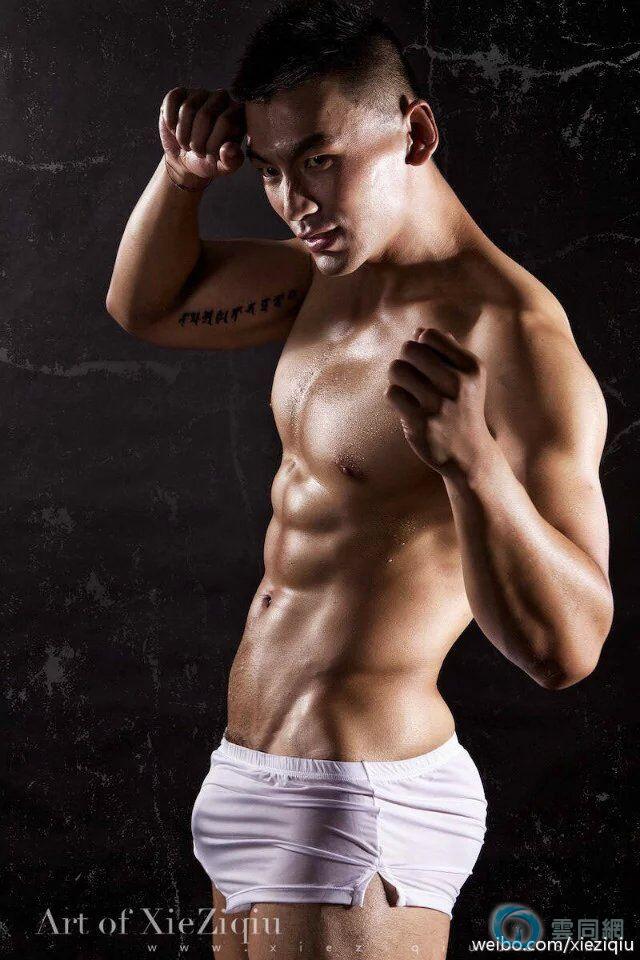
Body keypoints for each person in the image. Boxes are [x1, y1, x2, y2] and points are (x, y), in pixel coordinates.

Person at [105, 1, 614, 956]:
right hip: (251, 770)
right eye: (270, 170)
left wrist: (473, 466)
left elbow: (571, 648)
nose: (294, 200)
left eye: (320, 159)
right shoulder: (327, 276)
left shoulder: (514, 338)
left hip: (360, 794)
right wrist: (181, 179)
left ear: (416, 133)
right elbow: (149, 307)